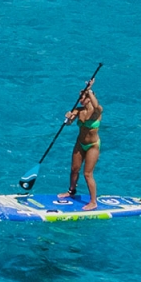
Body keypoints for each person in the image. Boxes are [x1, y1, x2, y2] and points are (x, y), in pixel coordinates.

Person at [58, 81, 103, 211]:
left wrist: (89, 90)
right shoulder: (78, 110)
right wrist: (68, 118)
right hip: (80, 143)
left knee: (87, 174)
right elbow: (69, 123)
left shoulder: (97, 111)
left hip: (93, 145)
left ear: (88, 98)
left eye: (82, 97)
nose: (80, 100)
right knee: (74, 169)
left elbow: (96, 104)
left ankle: (93, 202)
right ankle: (71, 191)